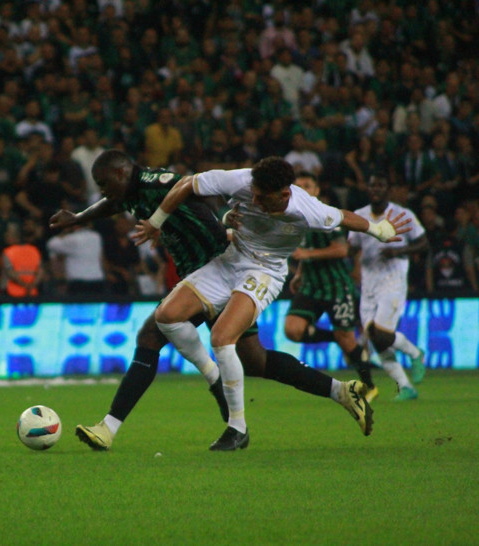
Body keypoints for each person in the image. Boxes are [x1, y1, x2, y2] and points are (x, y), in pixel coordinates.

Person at [50, 151, 376, 452]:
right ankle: (339, 391)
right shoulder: (131, 192)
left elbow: (196, 191)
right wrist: (78, 218)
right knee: (254, 360)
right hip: (204, 270)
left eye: (104, 184)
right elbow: (113, 203)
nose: (103, 191)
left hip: (218, 264)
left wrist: (225, 218)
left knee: (152, 336)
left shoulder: (158, 183)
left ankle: (112, 427)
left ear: (122, 173)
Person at [134, 157, 410, 451]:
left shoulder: (308, 210)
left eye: (261, 197)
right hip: (231, 258)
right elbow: (188, 183)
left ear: (284, 194)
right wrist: (155, 222)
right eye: (253, 193)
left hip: (264, 272)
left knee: (222, 337)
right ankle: (215, 374)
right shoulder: (241, 179)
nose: (253, 200)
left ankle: (237, 428)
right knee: (167, 315)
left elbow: (343, 217)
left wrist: (379, 230)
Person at [277, 172, 377, 399]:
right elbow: (304, 248)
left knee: (348, 341)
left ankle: (370, 386)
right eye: (298, 186)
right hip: (311, 285)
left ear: (317, 190)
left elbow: (342, 249)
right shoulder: (294, 217)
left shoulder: (325, 215)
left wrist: (307, 255)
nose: (302, 189)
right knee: (292, 330)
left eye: (307, 185)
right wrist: (300, 273)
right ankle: (335, 337)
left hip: (336, 287)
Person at [348, 175, 428, 401]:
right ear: (368, 188)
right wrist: (349, 254)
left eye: (380, 185)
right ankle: (405, 387)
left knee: (380, 333)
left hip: (393, 281)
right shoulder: (359, 215)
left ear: (388, 189)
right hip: (368, 285)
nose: (376, 189)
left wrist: (399, 251)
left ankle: (415, 353)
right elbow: (352, 247)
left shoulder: (403, 214)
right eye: (372, 185)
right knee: (376, 339)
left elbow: (424, 243)